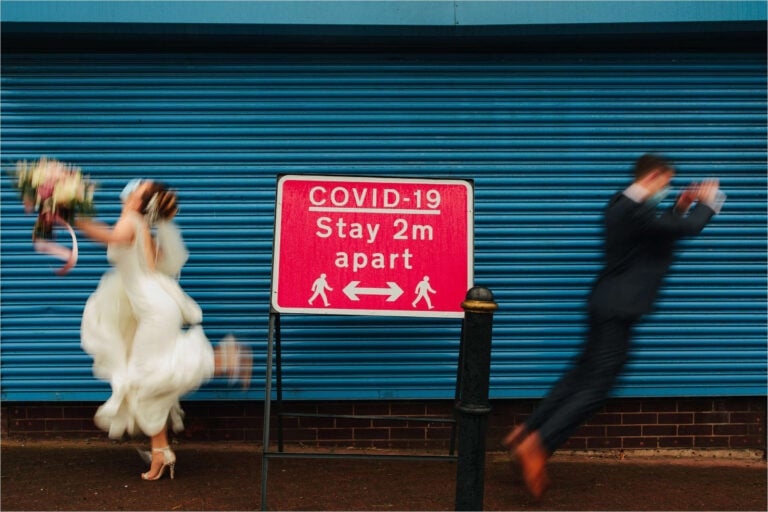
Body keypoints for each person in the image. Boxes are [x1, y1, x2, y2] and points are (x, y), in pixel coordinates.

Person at [501, 153, 724, 498]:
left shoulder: (621, 204)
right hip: (618, 311)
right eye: (666, 183)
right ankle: (538, 445)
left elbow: (653, 238)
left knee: (578, 377)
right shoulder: (636, 212)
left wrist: (679, 206)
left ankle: (526, 432)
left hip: (604, 305)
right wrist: (709, 202)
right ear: (653, 177)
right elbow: (685, 230)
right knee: (596, 388)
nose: (667, 189)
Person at [75, 179, 251, 481]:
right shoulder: (143, 227)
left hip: (155, 311)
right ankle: (161, 452)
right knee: (147, 382)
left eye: (137, 191)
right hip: (155, 308)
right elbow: (153, 264)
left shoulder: (130, 221)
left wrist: (72, 215)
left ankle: (223, 360)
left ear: (137, 200)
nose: (129, 193)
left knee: (143, 377)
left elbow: (109, 238)